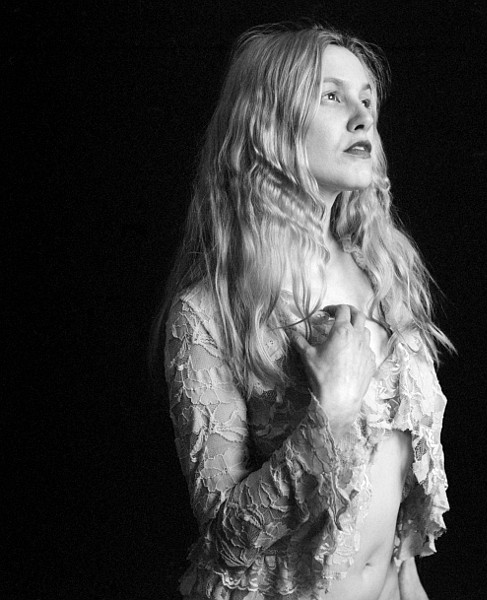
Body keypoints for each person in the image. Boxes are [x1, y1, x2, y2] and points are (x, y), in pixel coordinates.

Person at [161, 22, 453, 600]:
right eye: (331, 96)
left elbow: (394, 494)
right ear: (268, 124)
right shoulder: (209, 314)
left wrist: (407, 580)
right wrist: (333, 411)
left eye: (367, 99)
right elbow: (225, 541)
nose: (363, 116)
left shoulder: (384, 275)